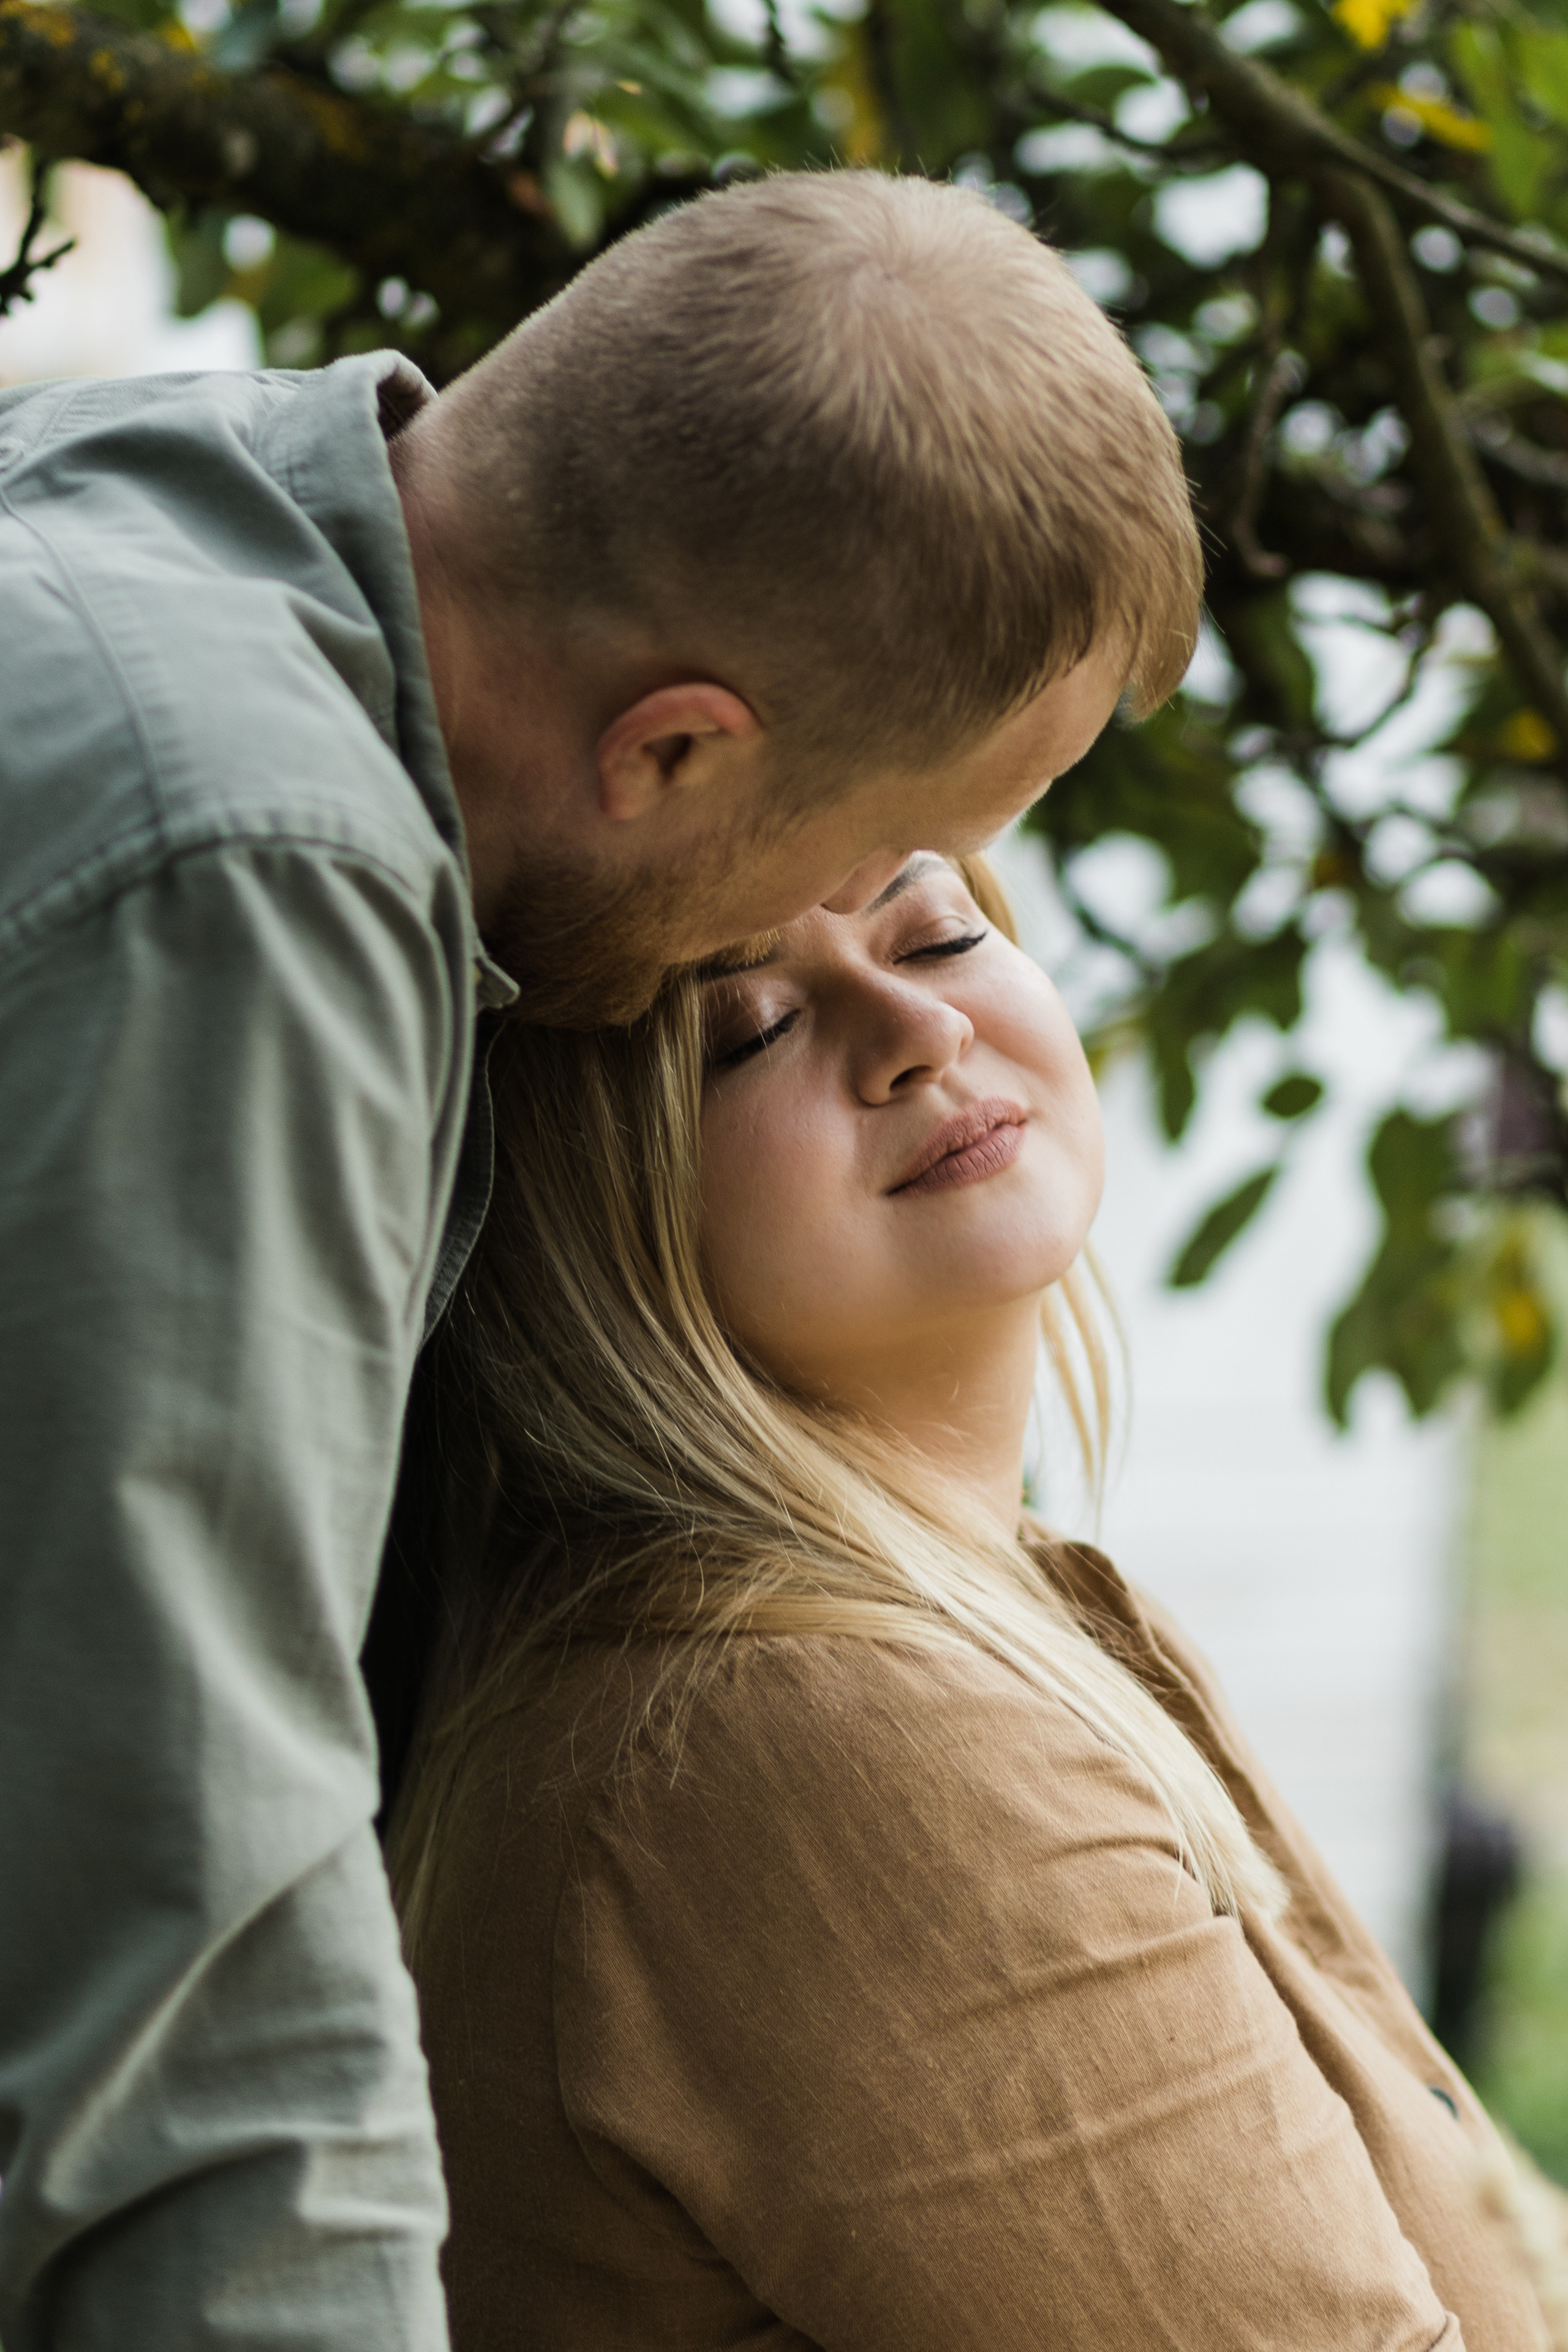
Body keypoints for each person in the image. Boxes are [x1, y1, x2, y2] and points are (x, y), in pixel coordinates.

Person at [0, 172, 1196, 2350]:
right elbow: (189, 1962)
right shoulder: (241, 867)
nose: (869, 962)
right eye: (869, 856)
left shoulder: (145, 494)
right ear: (673, 748)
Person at [392, 852, 1551, 2351]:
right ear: (587, 1214)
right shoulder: (794, 1735)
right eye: (750, 1030)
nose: (916, 1030)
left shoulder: (990, 1612)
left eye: (934, 935)